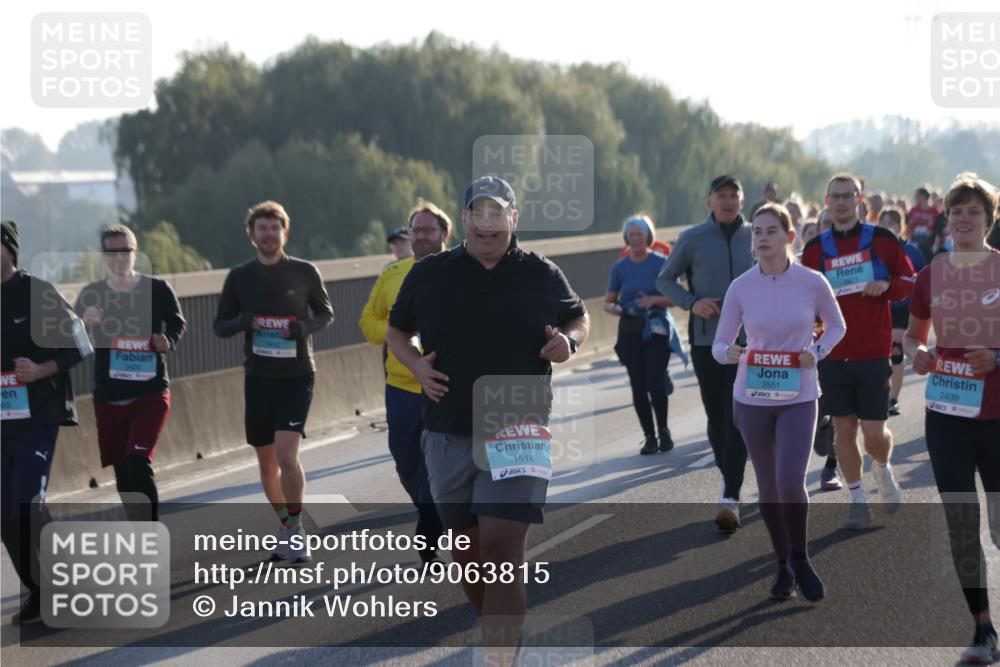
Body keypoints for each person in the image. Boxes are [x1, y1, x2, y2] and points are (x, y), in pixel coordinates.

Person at [386, 176, 589, 665]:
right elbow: (396, 331)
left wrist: (570, 342)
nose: (487, 223)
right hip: (446, 427)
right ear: (466, 221)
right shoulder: (431, 273)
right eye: (478, 213)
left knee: (501, 550)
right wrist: (416, 366)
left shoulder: (540, 273)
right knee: (470, 559)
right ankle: (502, 637)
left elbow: (577, 316)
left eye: (498, 214)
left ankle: (498, 658)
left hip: (515, 423)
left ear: (513, 221)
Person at [714, 203, 845, 601]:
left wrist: (817, 351)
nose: (763, 238)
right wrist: (730, 353)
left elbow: (837, 325)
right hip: (752, 397)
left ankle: (802, 558)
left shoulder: (812, 282)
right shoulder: (740, 287)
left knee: (791, 480)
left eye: (772, 231)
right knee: (769, 486)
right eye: (757, 232)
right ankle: (782, 565)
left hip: (799, 394)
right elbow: (720, 343)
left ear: (789, 237)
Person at [903, 172, 1000, 665]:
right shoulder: (931, 276)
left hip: (998, 417)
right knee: (962, 525)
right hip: (946, 415)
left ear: (989, 220)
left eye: (974, 212)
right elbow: (913, 334)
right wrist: (918, 352)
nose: (965, 219)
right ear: (947, 218)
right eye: (957, 211)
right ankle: (983, 631)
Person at [214, 201, 334, 564]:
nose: (269, 234)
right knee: (267, 463)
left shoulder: (304, 271)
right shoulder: (239, 278)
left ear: (285, 232)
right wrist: (243, 322)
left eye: (274, 228)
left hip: (297, 374)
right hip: (259, 378)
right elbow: (220, 326)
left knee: (286, 455)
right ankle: (285, 526)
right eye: (262, 228)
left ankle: (296, 531)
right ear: (252, 236)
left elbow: (325, 313)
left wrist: (302, 328)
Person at [801, 173, 916, 530]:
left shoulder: (882, 240)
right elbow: (802, 298)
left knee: (873, 432)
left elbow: (910, 282)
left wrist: (886, 285)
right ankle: (857, 499)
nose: (841, 202)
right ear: (826, 200)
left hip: (872, 351)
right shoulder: (815, 249)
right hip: (833, 354)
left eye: (847, 196)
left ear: (859, 199)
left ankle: (881, 470)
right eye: (834, 196)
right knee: (843, 429)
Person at [2, 220, 92, 623]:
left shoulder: (37, 292)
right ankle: (40, 589)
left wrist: (40, 370)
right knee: (5, 514)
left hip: (38, 414)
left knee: (28, 501)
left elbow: (80, 343)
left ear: (9, 249)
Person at [657, 175, 754, 532]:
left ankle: (730, 494)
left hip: (750, 343)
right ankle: (729, 474)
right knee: (716, 420)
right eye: (721, 196)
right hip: (706, 341)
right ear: (709, 201)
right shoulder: (692, 238)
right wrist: (692, 302)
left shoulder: (756, 236)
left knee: (736, 418)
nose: (728, 201)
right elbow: (665, 279)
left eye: (734, 195)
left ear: (742, 201)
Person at [359, 201, 452, 565]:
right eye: (416, 230)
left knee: (440, 464)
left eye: (429, 230)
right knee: (406, 463)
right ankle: (430, 511)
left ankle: (430, 524)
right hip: (401, 385)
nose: (421, 236)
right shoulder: (394, 274)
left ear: (444, 234)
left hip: (447, 385)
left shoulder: (462, 271)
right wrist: (400, 334)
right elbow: (369, 321)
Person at [75, 225, 186, 522]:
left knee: (138, 460)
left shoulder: (158, 289)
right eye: (111, 252)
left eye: (124, 251)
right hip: (110, 395)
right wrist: (86, 322)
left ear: (135, 253)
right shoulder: (92, 293)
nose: (119, 258)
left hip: (150, 391)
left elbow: (177, 324)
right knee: (122, 469)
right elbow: (74, 339)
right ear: (103, 256)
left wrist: (168, 341)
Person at [605, 214, 685, 455]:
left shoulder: (661, 262)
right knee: (638, 386)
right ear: (626, 239)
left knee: (654, 381)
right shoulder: (620, 267)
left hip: (657, 327)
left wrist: (654, 299)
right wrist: (617, 309)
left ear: (648, 237)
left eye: (640, 234)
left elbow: (675, 298)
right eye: (631, 235)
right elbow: (607, 302)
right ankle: (649, 437)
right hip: (630, 329)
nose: (636, 239)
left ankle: (664, 431)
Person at [875, 207, 925, 416]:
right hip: (878, 307)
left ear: (899, 226)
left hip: (903, 307)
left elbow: (920, 278)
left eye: (891, 223)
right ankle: (879, 394)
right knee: (879, 354)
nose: (887, 227)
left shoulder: (912, 251)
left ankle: (893, 399)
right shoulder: (873, 250)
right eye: (883, 223)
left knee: (896, 350)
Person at [907, 186, 941, 263]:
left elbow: (938, 228)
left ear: (924, 196)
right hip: (915, 239)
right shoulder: (913, 210)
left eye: (917, 196)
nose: (915, 198)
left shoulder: (934, 211)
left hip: (928, 240)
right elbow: (909, 226)